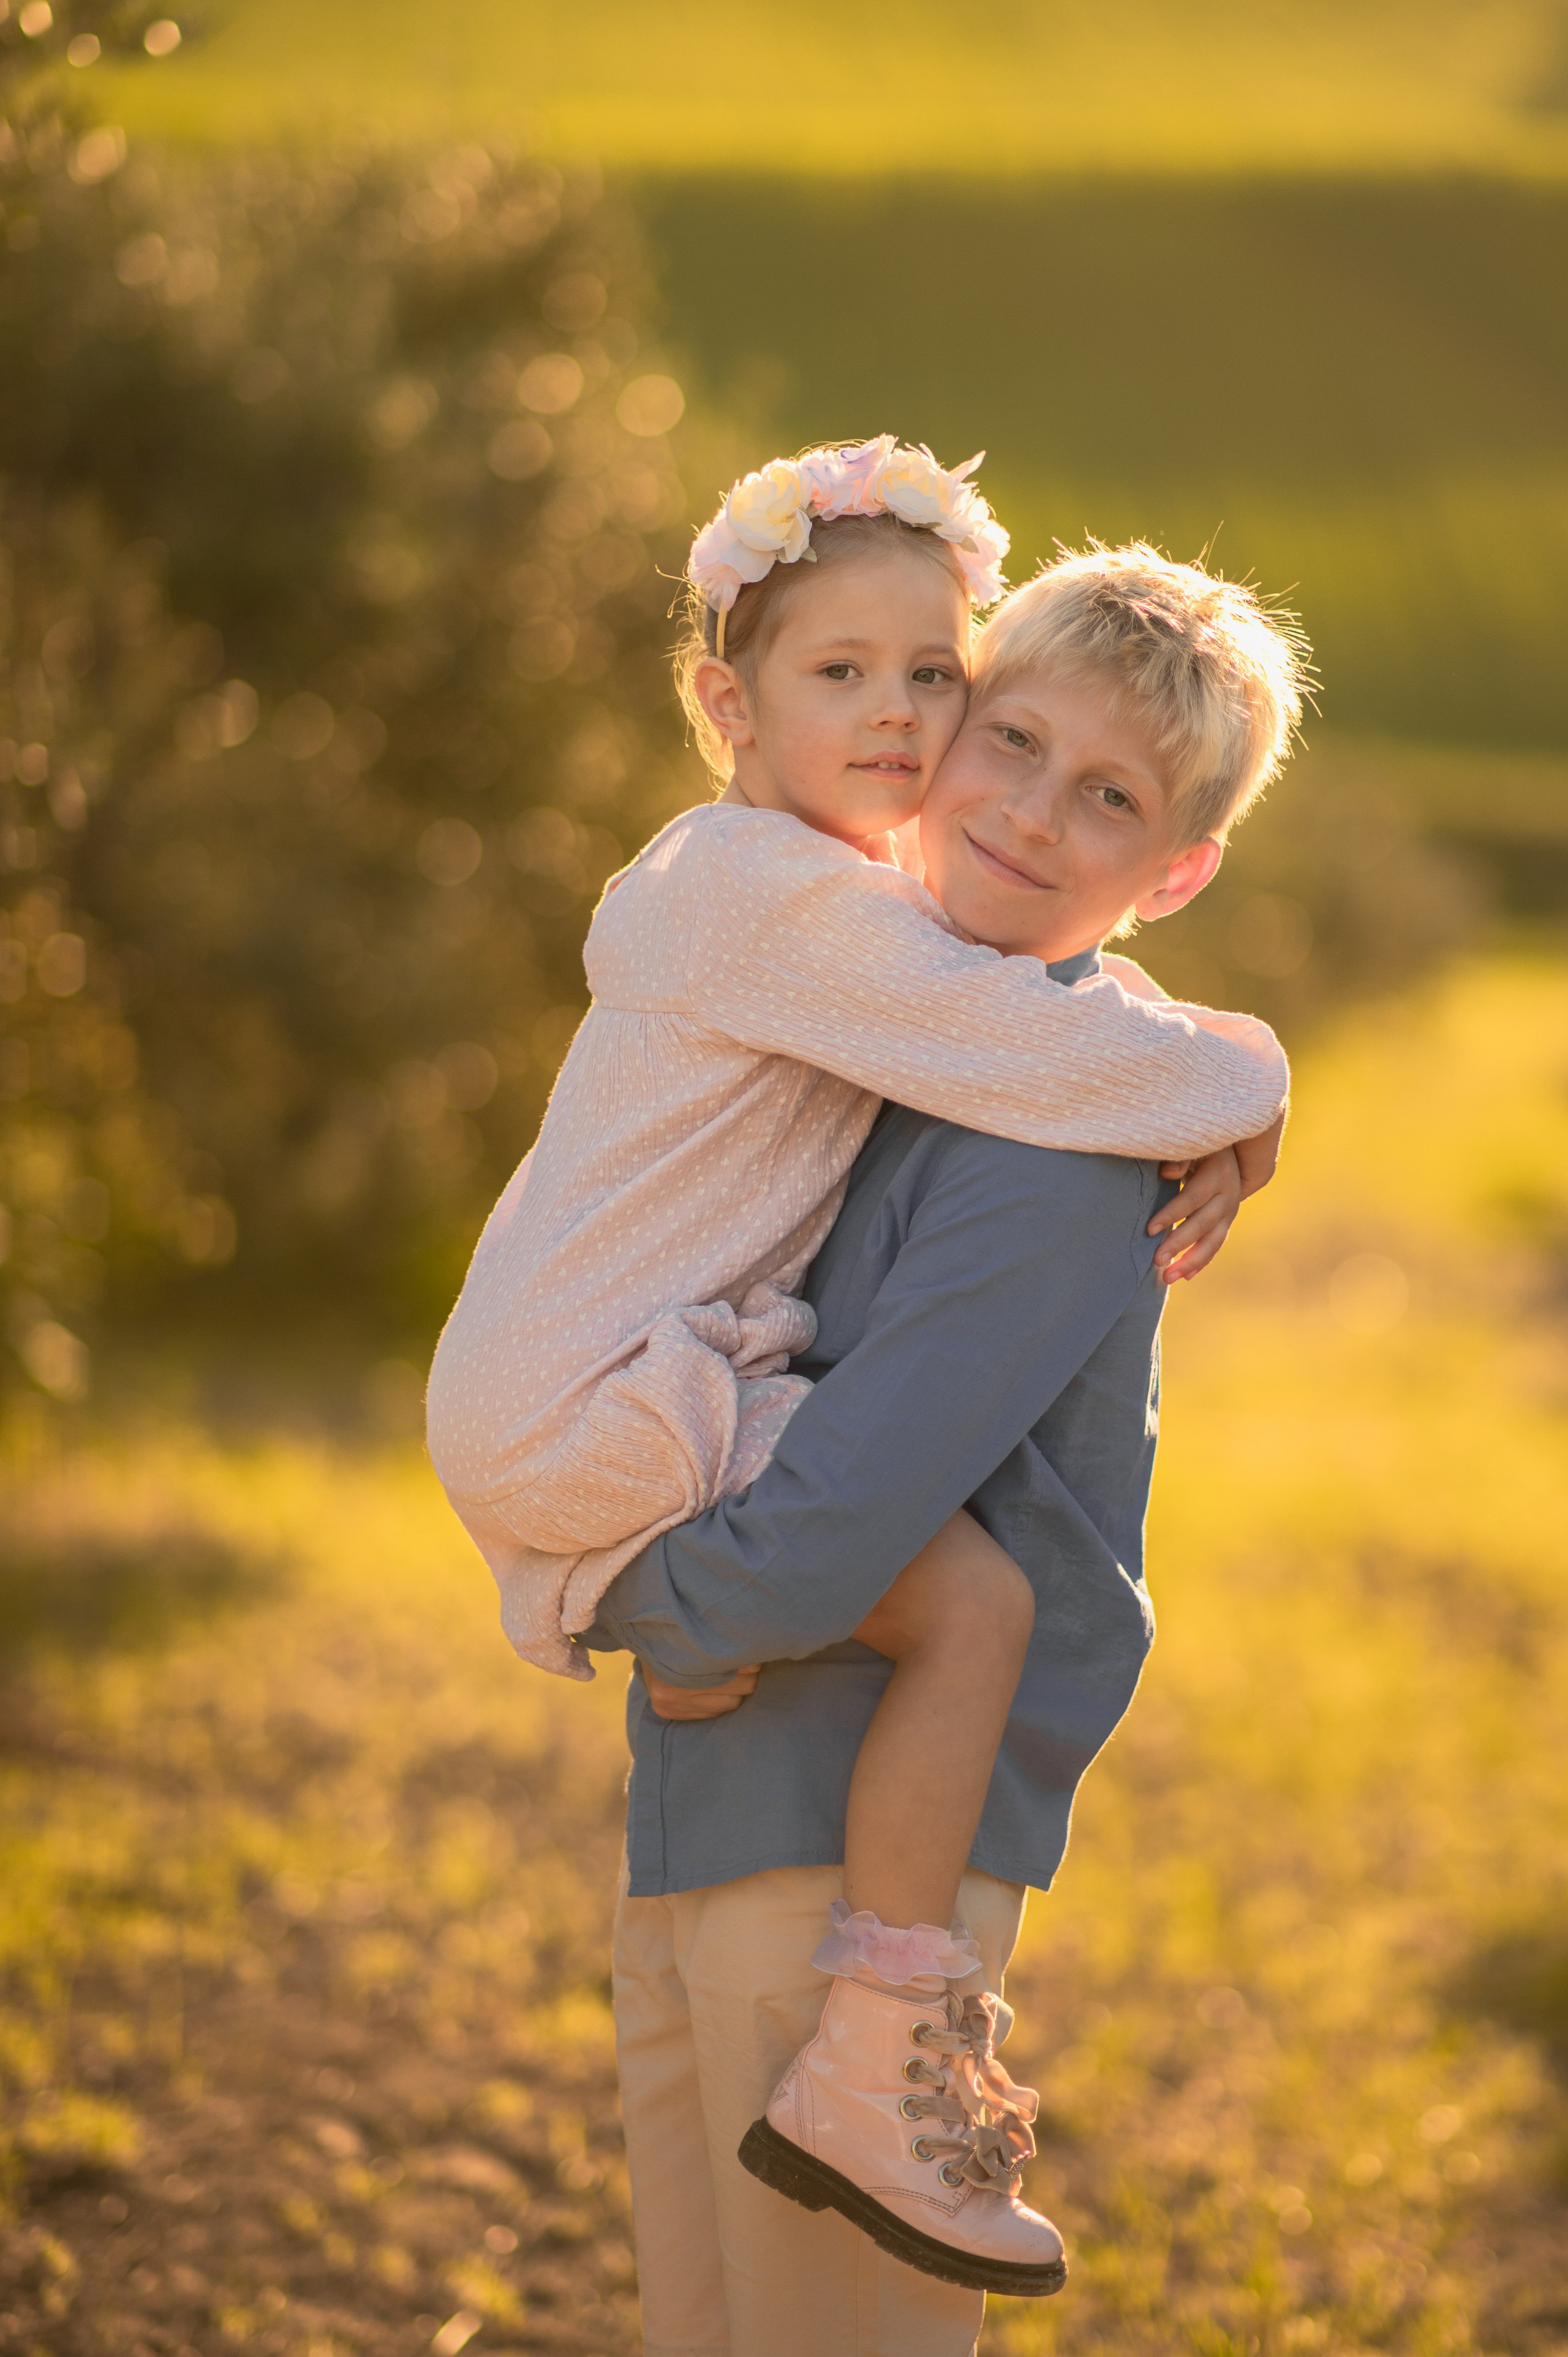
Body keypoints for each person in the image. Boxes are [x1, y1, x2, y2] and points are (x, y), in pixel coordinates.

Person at [426, 439, 1298, 2296]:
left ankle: (880, 2043)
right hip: (785, 1825)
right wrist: (1253, 1077)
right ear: (733, 700)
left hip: (778, 1822)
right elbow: (1052, 1043)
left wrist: (675, 1625)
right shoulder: (944, 1033)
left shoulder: (974, 1059)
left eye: (1107, 795)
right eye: (1006, 742)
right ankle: (880, 2057)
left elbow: (1042, 1033)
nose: (1014, 802)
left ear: (1176, 866)